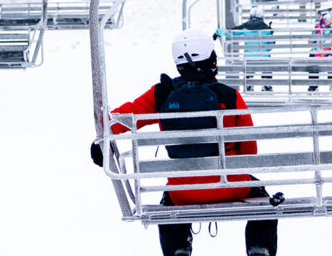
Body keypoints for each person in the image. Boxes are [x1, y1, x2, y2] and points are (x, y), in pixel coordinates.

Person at [91, 29, 278, 256]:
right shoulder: (229, 96)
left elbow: (123, 117)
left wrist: (102, 137)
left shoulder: (161, 94)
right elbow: (249, 151)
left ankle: (178, 249)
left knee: (169, 199)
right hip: (232, 186)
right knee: (263, 198)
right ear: (211, 58)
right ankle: (259, 248)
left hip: (183, 192)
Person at [232, 6, 273, 92]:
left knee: (248, 64)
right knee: (267, 60)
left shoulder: (245, 27)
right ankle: (266, 82)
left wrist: (218, 32)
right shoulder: (267, 28)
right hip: (263, 58)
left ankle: (249, 83)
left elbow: (231, 32)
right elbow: (270, 46)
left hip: (249, 58)